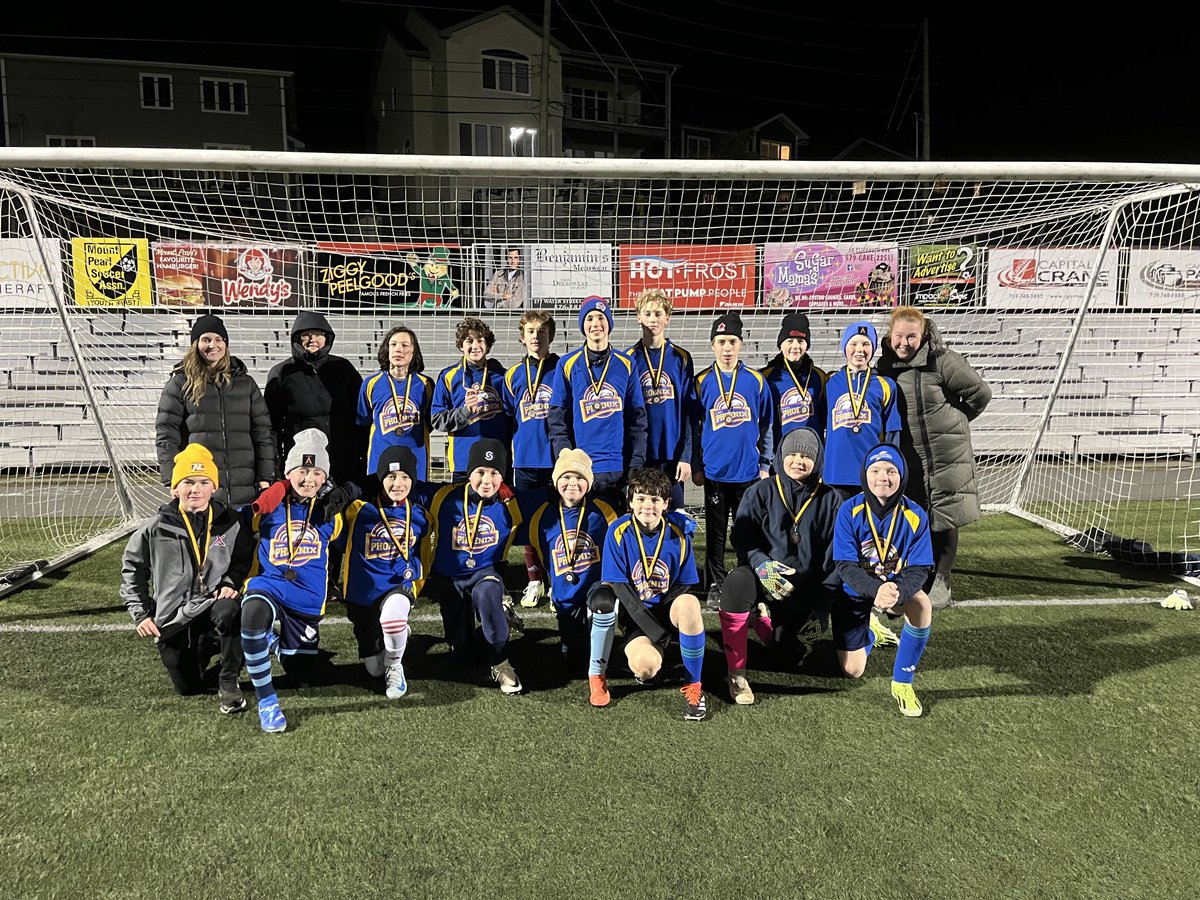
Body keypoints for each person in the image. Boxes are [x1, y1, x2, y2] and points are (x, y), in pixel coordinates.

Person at [239, 429, 359, 733]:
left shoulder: (331, 514)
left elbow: (348, 538)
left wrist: (347, 494)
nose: (309, 479)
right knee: (252, 616)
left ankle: (274, 644)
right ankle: (267, 701)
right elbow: (235, 522)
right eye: (302, 471)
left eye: (316, 472)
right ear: (289, 472)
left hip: (306, 597)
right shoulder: (269, 506)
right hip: (271, 585)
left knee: (302, 675)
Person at [121, 443, 254, 714]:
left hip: (214, 601)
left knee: (232, 611)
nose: (196, 489)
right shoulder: (155, 528)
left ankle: (228, 681)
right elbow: (133, 570)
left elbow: (243, 559)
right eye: (188, 482)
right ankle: (208, 645)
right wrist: (142, 614)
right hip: (175, 615)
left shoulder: (231, 521)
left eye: (204, 482)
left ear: (214, 487)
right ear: (175, 488)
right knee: (188, 687)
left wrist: (230, 583)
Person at [877, 306, 992, 608]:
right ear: (891, 335)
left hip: (946, 453)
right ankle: (918, 577)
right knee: (914, 517)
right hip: (908, 456)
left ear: (923, 335)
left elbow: (980, 393)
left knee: (945, 515)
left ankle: (943, 579)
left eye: (911, 337)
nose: (904, 343)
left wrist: (958, 421)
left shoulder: (943, 362)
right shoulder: (884, 367)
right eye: (899, 336)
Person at [719, 427, 841, 704]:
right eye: (793, 454)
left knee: (788, 657)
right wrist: (761, 565)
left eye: (806, 456)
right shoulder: (760, 491)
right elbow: (741, 536)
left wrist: (822, 607)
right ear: (782, 454)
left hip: (801, 587)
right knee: (736, 582)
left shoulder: (831, 499)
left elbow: (834, 557)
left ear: (818, 460)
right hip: (763, 577)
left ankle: (761, 622)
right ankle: (736, 673)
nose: (799, 461)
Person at [588, 468, 707, 720]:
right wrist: (654, 632)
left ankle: (694, 686)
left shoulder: (678, 533)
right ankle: (657, 654)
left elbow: (685, 585)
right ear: (630, 501)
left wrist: (664, 623)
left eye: (655, 499)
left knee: (689, 604)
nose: (647, 506)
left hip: (667, 609)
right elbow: (619, 586)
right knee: (645, 669)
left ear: (666, 503)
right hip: (636, 615)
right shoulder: (618, 531)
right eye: (640, 498)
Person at [833, 444, 934, 717]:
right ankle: (870, 631)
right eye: (875, 470)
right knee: (852, 671)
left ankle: (903, 683)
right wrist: (874, 590)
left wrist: (899, 592)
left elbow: (921, 567)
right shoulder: (848, 510)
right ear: (865, 475)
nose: (883, 478)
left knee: (922, 604)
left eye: (891, 471)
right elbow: (845, 565)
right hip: (855, 591)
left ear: (901, 476)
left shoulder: (916, 515)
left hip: (894, 591)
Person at [423, 439, 526, 694]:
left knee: (488, 594)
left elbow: (560, 494)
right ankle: (490, 625)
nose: (487, 480)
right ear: (469, 473)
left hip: (485, 574)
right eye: (480, 472)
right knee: (462, 656)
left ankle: (501, 663)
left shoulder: (511, 502)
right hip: (450, 578)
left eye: (494, 473)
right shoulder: (444, 496)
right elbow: (398, 485)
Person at [692, 312, 773, 609]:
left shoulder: (756, 381)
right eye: (721, 341)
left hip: (748, 473)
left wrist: (765, 464)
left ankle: (743, 580)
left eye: (732, 342)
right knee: (714, 535)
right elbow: (693, 427)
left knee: (744, 533)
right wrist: (698, 466)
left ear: (741, 344)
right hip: (714, 474)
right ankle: (715, 583)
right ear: (713, 345)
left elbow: (767, 426)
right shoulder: (701, 381)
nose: (727, 347)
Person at [338, 446, 431, 700]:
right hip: (364, 592)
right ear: (380, 479)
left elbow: (425, 555)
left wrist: (415, 582)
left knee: (392, 621)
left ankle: (396, 664)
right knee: (374, 668)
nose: (398, 484)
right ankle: (396, 641)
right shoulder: (357, 511)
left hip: (398, 584)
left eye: (405, 477)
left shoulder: (421, 515)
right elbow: (335, 538)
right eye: (391, 477)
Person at [155, 313, 275, 507]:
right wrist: (172, 477)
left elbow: (262, 432)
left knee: (244, 536)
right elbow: (166, 434)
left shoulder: (246, 383)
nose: (213, 345)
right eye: (206, 339)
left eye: (219, 339)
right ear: (195, 344)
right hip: (200, 487)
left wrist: (266, 476)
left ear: (226, 344)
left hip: (245, 487)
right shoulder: (179, 384)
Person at [526, 448, 619, 677]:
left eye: (580, 478)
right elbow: (538, 551)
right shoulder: (542, 516)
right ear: (556, 480)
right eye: (566, 477)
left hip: (595, 588)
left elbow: (618, 547)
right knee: (574, 664)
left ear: (589, 482)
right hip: (565, 595)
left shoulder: (604, 512)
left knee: (604, 603)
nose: (572, 484)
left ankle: (598, 623)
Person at [550, 296, 647, 499]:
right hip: (580, 470)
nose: (596, 324)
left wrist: (636, 462)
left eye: (601, 318)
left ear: (609, 323)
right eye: (590, 318)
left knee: (615, 529)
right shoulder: (567, 364)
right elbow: (558, 419)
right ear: (582, 325)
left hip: (617, 468)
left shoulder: (626, 364)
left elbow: (637, 420)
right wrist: (566, 457)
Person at [265, 311, 365, 487]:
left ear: (327, 338)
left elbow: (361, 415)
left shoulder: (343, 368)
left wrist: (362, 454)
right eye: (306, 334)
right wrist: (276, 464)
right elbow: (272, 426)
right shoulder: (282, 373)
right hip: (304, 463)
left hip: (343, 459)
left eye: (319, 334)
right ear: (297, 338)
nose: (313, 339)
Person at [503, 310, 560, 608]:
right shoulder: (512, 375)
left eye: (541, 331)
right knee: (527, 525)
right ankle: (534, 580)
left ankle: (557, 582)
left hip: (556, 462)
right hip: (524, 461)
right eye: (530, 331)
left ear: (550, 336)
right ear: (521, 337)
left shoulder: (563, 368)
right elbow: (509, 420)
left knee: (556, 524)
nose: (536, 337)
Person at [628, 288, 695, 509]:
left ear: (667, 317)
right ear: (638, 317)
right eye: (647, 313)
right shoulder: (627, 358)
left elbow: (688, 412)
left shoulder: (682, 358)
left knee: (674, 515)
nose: (652, 319)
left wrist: (686, 456)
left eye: (658, 314)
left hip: (672, 454)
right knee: (642, 514)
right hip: (641, 453)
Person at [823, 320, 901, 499]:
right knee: (837, 525)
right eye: (853, 344)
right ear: (845, 348)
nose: (860, 350)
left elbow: (893, 432)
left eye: (866, 344)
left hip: (870, 471)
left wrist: (891, 466)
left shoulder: (886, 385)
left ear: (873, 349)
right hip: (835, 472)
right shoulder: (830, 381)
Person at [431, 317, 510, 480]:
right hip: (463, 462)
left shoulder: (503, 376)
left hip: (497, 462)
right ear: (461, 345)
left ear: (487, 345)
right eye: (469, 341)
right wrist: (464, 412)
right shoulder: (449, 376)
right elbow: (437, 419)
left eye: (480, 340)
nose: (475, 346)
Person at [358, 325, 434, 482]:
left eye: (405, 345)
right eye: (393, 344)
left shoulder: (426, 384)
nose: (398, 349)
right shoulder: (371, 384)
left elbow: (430, 422)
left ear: (414, 352)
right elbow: (363, 422)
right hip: (380, 457)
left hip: (415, 458)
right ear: (387, 349)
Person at [761, 311, 827, 452]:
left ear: (807, 345)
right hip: (779, 453)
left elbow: (823, 418)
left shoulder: (819, 376)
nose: (795, 346)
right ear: (780, 345)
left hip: (811, 453)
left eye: (801, 341)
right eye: (790, 341)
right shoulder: (766, 377)